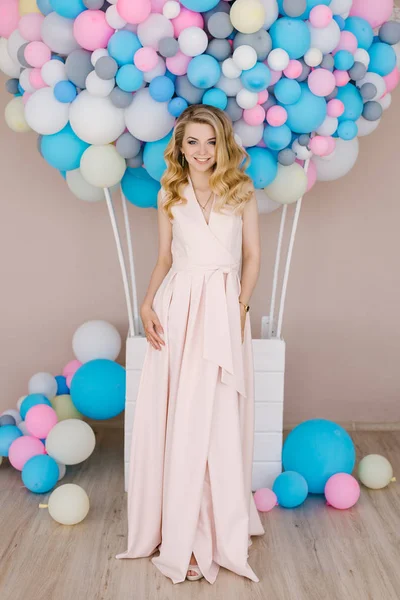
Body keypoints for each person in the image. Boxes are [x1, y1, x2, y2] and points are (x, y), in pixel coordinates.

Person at [116, 104, 265, 584]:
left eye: (210, 142)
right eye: (192, 142)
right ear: (180, 146)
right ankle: (177, 522)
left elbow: (253, 255)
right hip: (179, 305)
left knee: (217, 412)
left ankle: (217, 526)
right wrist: (146, 303)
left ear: (223, 145)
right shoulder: (169, 192)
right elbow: (164, 257)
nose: (201, 152)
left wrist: (239, 309)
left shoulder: (241, 191)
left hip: (223, 306)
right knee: (180, 411)